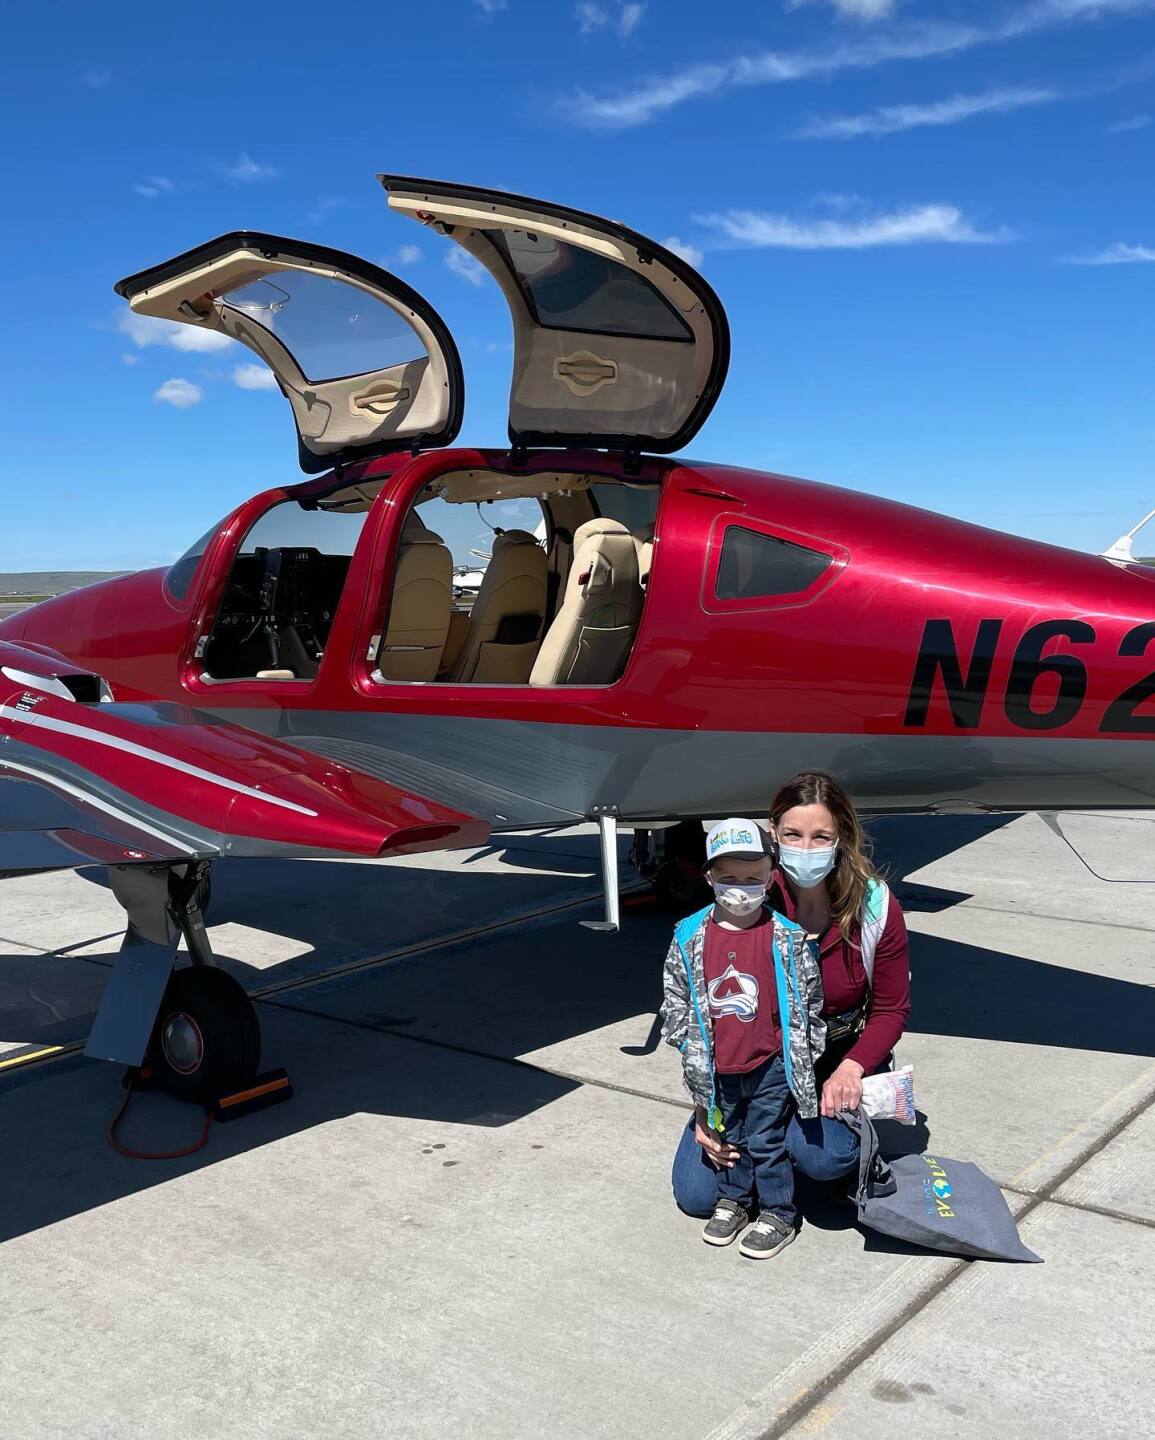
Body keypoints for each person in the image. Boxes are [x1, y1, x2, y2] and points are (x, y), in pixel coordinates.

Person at [670, 773, 911, 1219]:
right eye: (793, 835)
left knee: (825, 1157)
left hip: (833, 1058)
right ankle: (765, 1142)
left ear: (842, 838)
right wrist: (706, 1105)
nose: (806, 847)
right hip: (751, 1067)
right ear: (774, 835)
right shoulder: (747, 894)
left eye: (821, 836)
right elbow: (702, 1016)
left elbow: (892, 1009)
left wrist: (852, 1069)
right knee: (697, 1196)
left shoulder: (874, 905)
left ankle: (787, 1147)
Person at [660, 817, 826, 1257]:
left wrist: (805, 1052)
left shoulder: (786, 938)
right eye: (729, 877)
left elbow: (809, 1002)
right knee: (728, 1138)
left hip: (769, 1063)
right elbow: (674, 999)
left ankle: (778, 1212)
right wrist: (688, 1046)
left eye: (753, 878)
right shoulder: (689, 935)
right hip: (717, 1068)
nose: (741, 888)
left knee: (767, 1141)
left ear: (771, 877)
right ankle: (734, 1201)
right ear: (709, 875)